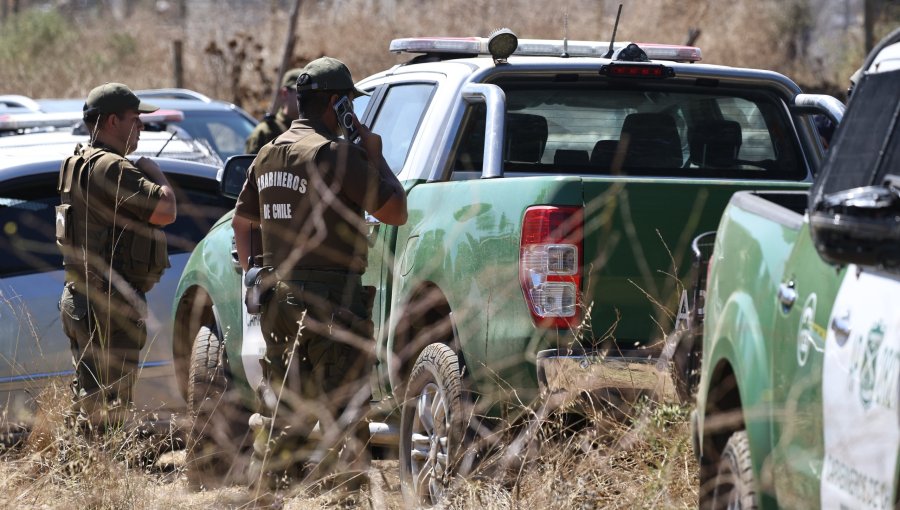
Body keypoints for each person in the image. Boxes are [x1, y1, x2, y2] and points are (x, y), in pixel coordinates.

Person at [232, 56, 407, 492]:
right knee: (345, 415)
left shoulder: (267, 155)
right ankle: (341, 500)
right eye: (350, 102)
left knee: (281, 414)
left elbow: (242, 223)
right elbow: (396, 211)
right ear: (337, 104)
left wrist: (255, 272)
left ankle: (263, 496)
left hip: (276, 299)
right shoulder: (338, 155)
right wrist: (376, 155)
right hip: (332, 303)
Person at [57, 83, 177, 432]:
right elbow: (166, 210)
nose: (140, 127)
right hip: (108, 302)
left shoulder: (74, 162)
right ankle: (99, 478)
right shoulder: (113, 167)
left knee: (89, 398)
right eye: (135, 119)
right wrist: (154, 172)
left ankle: (80, 469)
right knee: (110, 406)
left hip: (80, 297)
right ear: (112, 121)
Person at [244, 67, 304, 154]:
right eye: (300, 92)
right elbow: (250, 166)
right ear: (285, 93)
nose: (306, 97)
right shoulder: (265, 132)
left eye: (309, 93)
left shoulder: (313, 130)